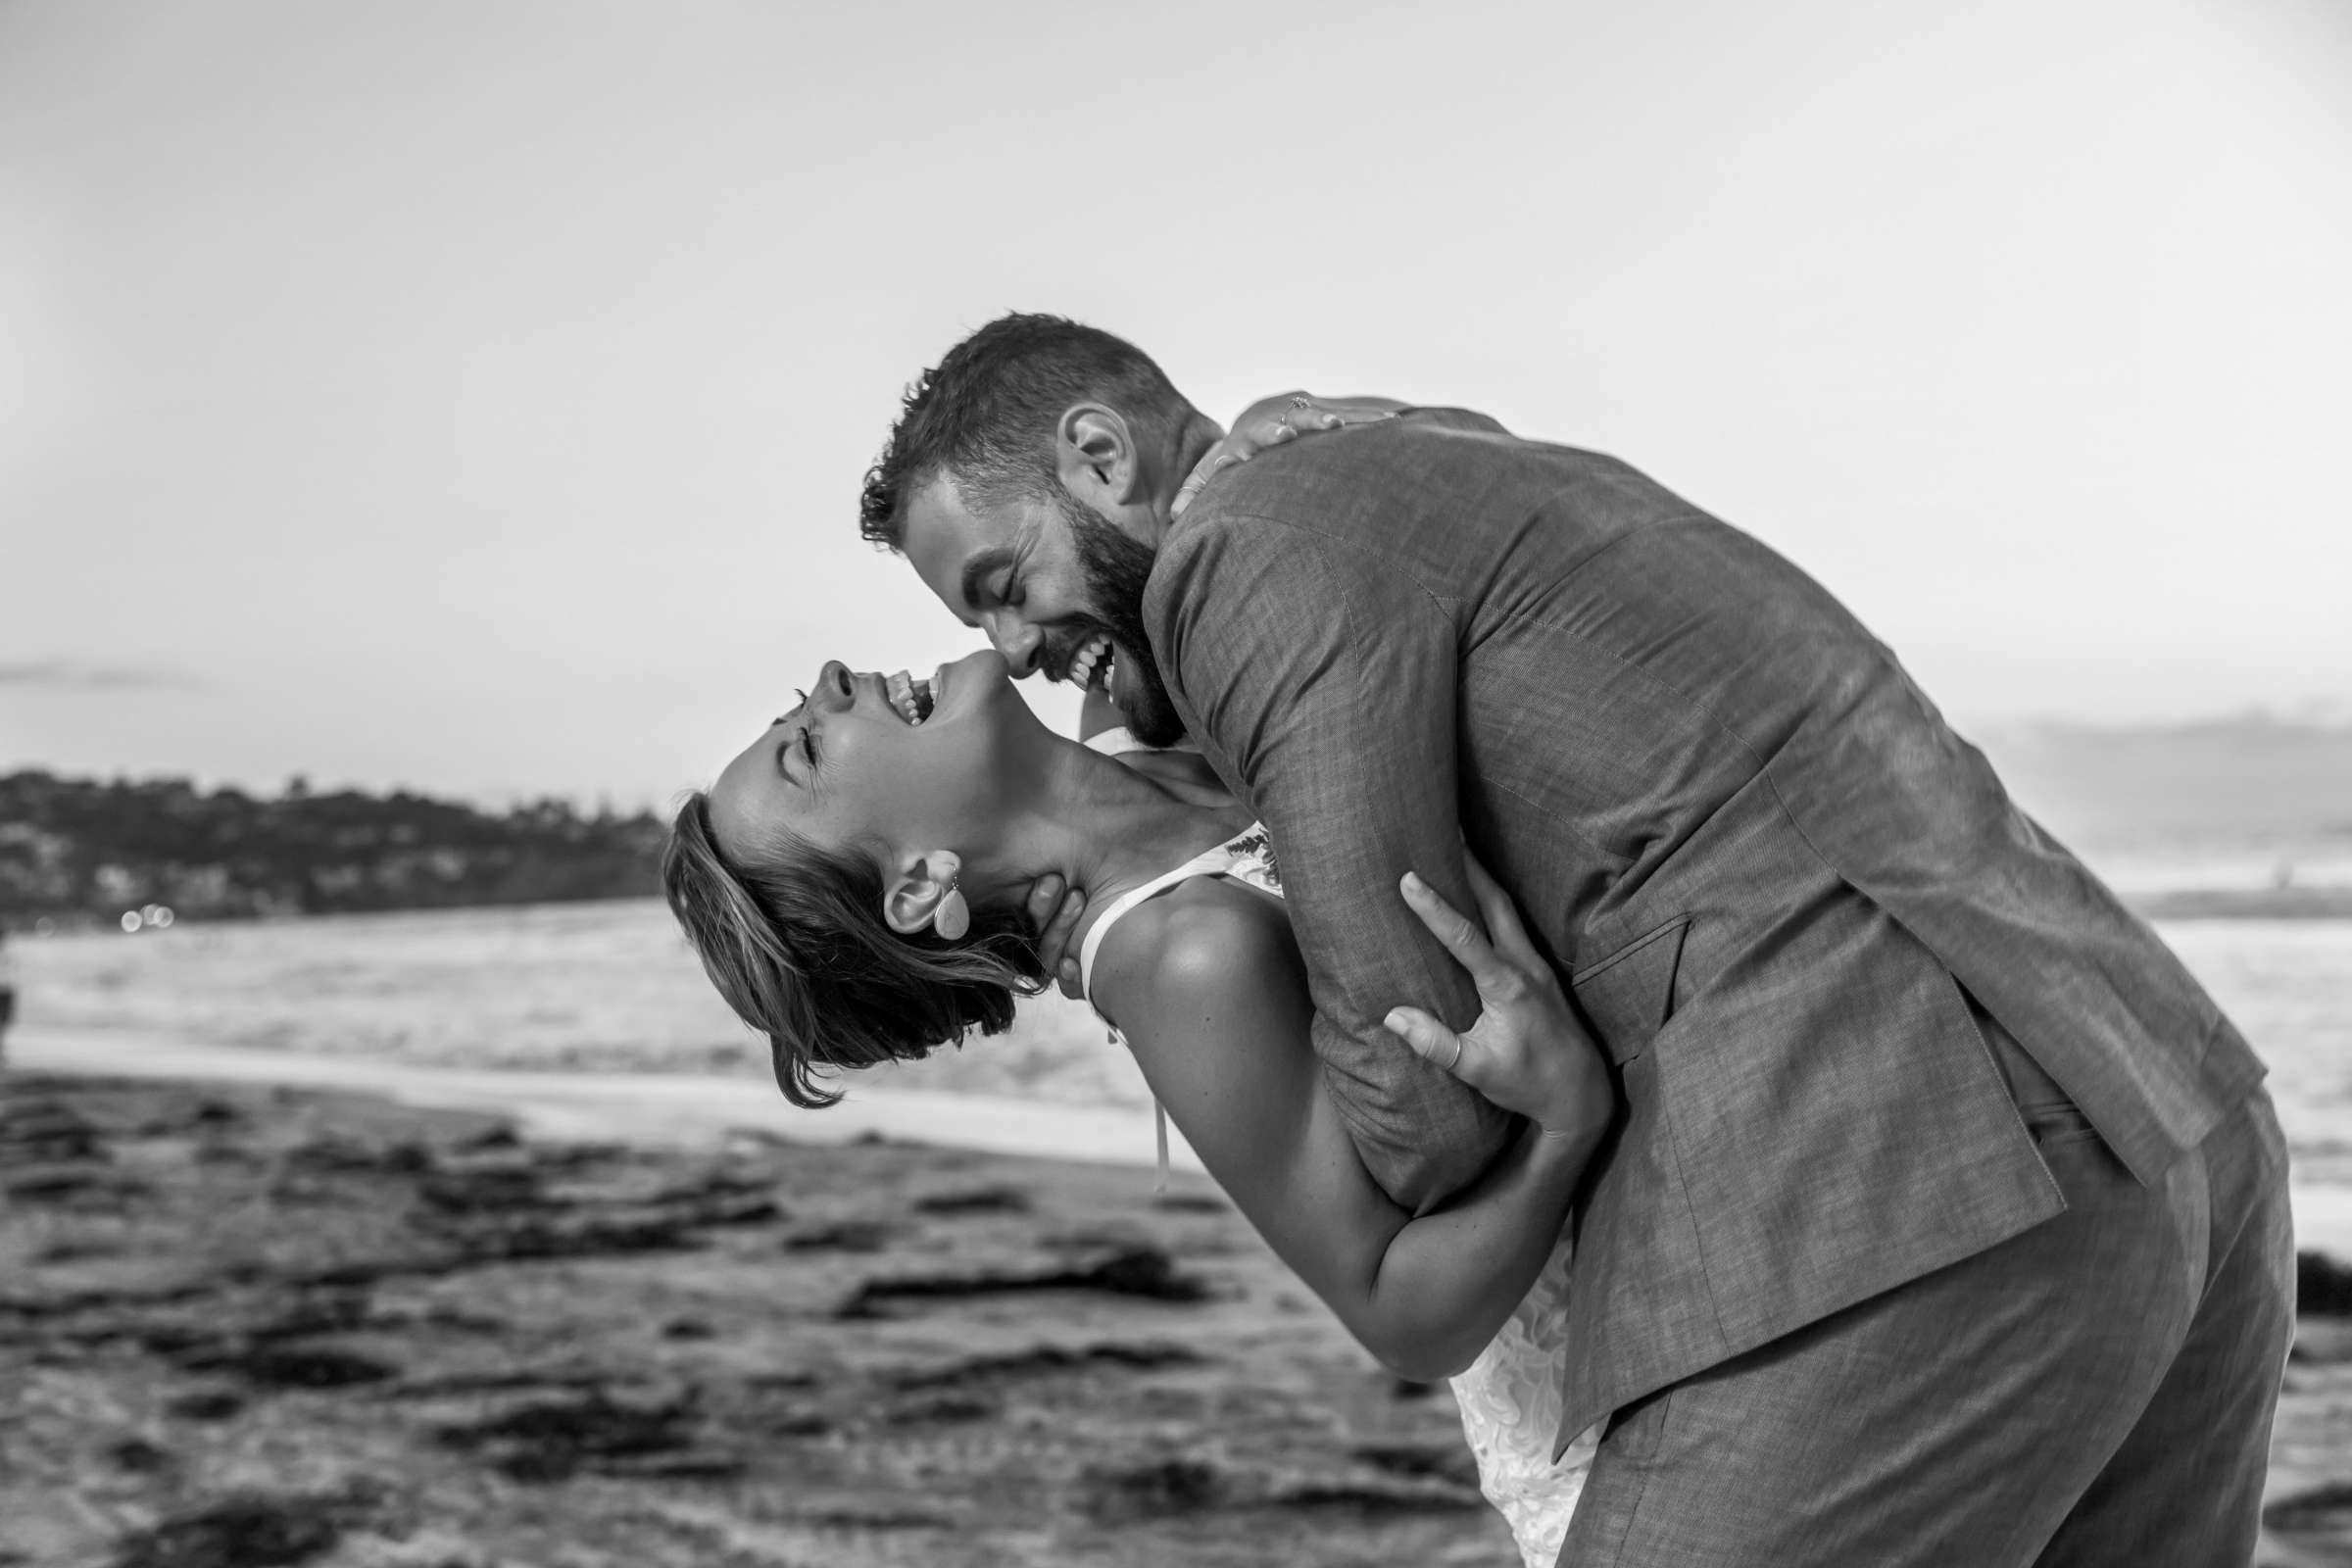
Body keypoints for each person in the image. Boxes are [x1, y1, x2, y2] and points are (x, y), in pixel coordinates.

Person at [858, 315, 2294, 1565]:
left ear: (1103, 458)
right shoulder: (1409, 470)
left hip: (1905, 1181)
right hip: (2160, 1100)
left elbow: (1421, 1100)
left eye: (1000, 582)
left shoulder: (1239, 566)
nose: (1014, 650)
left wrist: (1520, 1097)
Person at [664, 650, 1613, 1564]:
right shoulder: (1182, 958)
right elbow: (1401, 1313)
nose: (831, 677)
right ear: (917, 883)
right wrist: (1563, 1124)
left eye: (799, 704)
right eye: (809, 747)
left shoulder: (1127, 719)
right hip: (1608, 1422)